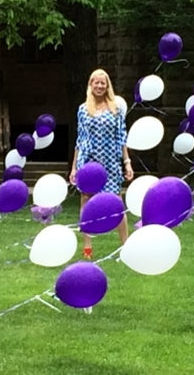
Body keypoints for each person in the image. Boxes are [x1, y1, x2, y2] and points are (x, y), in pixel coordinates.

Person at [69, 68, 134, 259]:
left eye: (102, 83)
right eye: (96, 82)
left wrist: (127, 162)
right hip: (88, 163)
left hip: (110, 163)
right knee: (86, 201)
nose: (99, 86)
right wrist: (74, 167)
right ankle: (88, 248)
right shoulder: (83, 109)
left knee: (116, 202)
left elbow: (121, 137)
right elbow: (80, 139)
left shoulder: (116, 109)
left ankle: (126, 246)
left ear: (107, 86)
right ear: (90, 84)